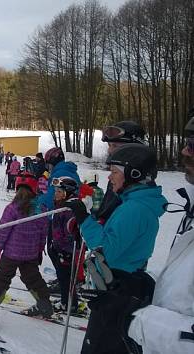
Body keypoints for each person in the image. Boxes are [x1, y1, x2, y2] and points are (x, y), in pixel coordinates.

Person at [65, 144, 167, 354]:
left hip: (118, 291)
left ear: (133, 174)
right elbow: (115, 239)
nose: (109, 178)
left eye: (114, 173)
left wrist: (84, 219)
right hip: (119, 287)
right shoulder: (134, 204)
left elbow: (106, 249)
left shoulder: (134, 209)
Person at [126, 110, 194, 354]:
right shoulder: (190, 208)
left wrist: (142, 322)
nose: (185, 151)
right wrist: (145, 285)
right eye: (187, 143)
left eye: (193, 145)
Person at [0, 172, 52, 321]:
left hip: (11, 254)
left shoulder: (12, 208)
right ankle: (45, 304)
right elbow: (43, 233)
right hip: (30, 255)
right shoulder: (41, 210)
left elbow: (3, 230)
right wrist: (39, 249)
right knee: (33, 279)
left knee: (0, 279)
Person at [95, 121, 146, 223]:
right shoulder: (119, 176)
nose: (110, 151)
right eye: (109, 145)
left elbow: (114, 236)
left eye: (115, 146)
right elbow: (107, 210)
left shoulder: (137, 185)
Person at [49, 176, 84, 315]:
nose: (55, 194)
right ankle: (66, 300)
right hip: (60, 248)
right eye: (55, 191)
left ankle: (70, 304)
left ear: (67, 193)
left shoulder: (69, 209)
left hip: (67, 251)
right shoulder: (62, 206)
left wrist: (64, 249)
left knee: (66, 279)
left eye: (58, 191)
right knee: (63, 277)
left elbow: (71, 233)